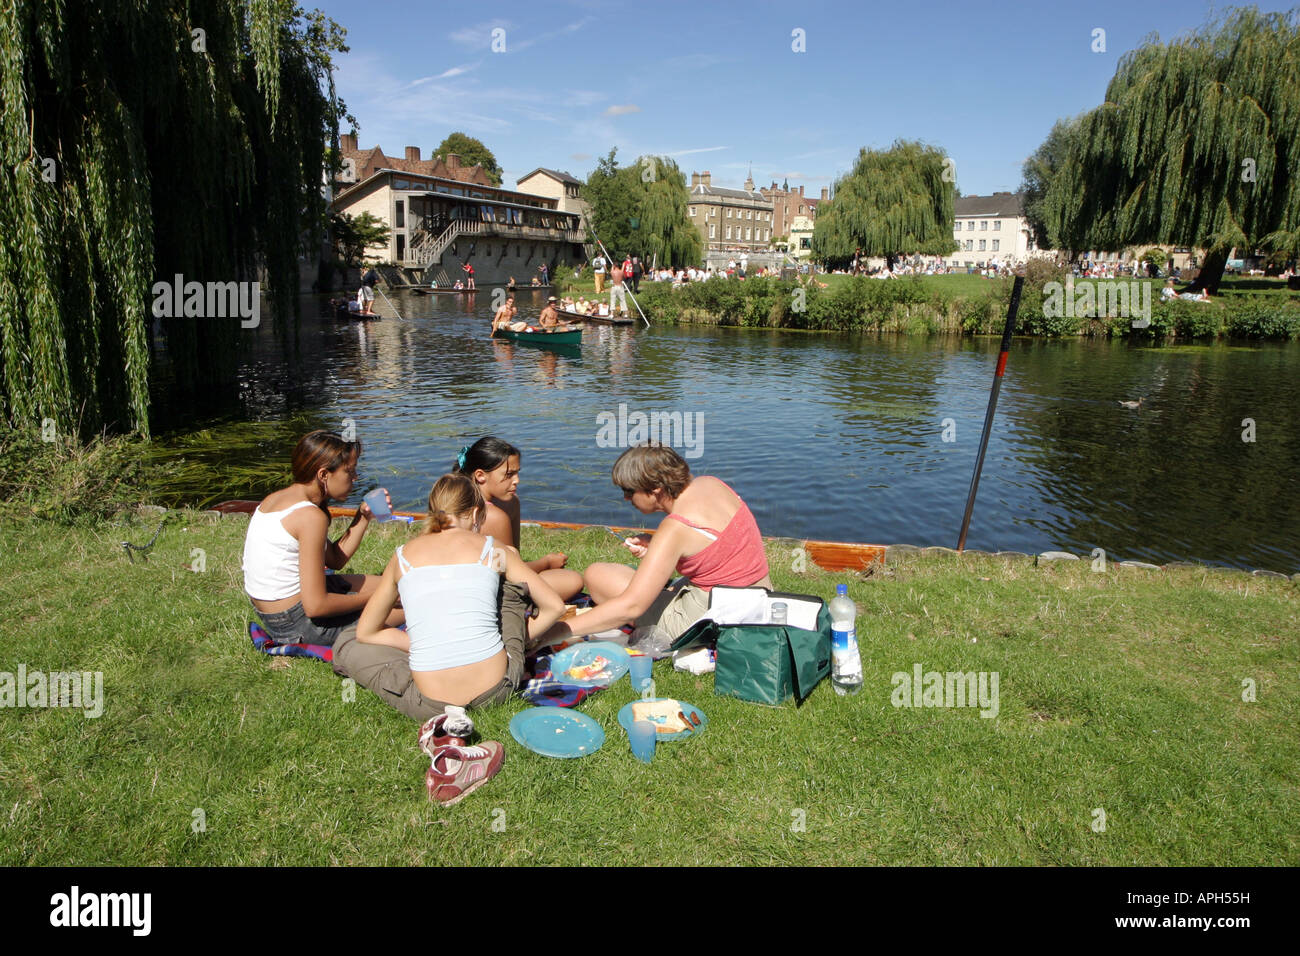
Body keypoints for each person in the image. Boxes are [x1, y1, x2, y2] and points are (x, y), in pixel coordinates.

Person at [338, 474, 564, 728]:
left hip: (430, 703)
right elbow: (554, 606)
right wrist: (520, 638)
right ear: (477, 512)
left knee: (347, 640)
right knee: (509, 583)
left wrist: (418, 643)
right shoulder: (493, 548)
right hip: (497, 689)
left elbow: (366, 631)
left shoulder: (402, 557)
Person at [538, 444, 771, 648]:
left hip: (715, 620)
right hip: (758, 596)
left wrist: (557, 631)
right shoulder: (711, 483)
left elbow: (631, 607)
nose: (626, 499)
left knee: (597, 575)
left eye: (629, 491)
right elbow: (719, 547)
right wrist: (656, 547)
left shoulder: (675, 528)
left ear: (655, 490)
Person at [242, 430, 400, 646]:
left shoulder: (278, 499)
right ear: (324, 474)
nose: (355, 478)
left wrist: (362, 518)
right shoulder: (309, 517)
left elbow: (335, 559)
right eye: (350, 471)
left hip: (278, 615)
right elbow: (316, 606)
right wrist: (380, 598)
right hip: (299, 624)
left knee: (399, 585)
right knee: (411, 606)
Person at [454, 437, 584, 600]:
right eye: (509, 474)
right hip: (487, 593)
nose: (517, 480)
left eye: (517, 473)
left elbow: (513, 559)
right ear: (480, 475)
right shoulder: (493, 516)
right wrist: (547, 562)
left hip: (486, 579)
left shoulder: (507, 503)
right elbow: (513, 574)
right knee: (572, 580)